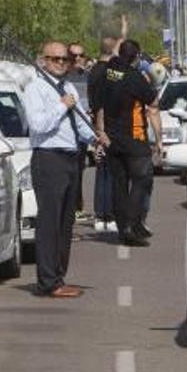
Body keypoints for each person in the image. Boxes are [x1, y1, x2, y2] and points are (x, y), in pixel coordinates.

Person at [23, 41, 107, 298]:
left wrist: (95, 138)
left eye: (64, 60)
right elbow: (38, 125)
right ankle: (48, 280)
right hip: (49, 158)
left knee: (66, 221)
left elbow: (79, 120)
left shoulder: (68, 86)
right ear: (43, 60)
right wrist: (62, 105)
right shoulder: (35, 89)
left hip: (71, 158)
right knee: (50, 221)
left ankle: (59, 275)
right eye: (55, 59)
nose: (61, 64)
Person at [101, 40, 162, 247]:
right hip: (133, 139)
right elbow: (152, 104)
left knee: (119, 184)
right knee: (141, 180)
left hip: (111, 139)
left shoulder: (107, 73)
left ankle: (122, 227)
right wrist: (159, 139)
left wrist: (100, 132)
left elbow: (98, 104)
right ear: (136, 57)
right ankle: (131, 225)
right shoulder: (134, 77)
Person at [88, 38, 119, 232]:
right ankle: (109, 214)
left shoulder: (92, 72)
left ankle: (101, 214)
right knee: (113, 171)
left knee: (102, 171)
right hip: (109, 126)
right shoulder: (111, 73)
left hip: (96, 125)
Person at [67, 42, 91, 224]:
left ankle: (77, 206)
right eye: (73, 55)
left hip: (82, 133)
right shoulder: (62, 79)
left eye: (80, 55)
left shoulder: (89, 78)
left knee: (78, 171)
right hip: (64, 134)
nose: (77, 59)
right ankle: (71, 208)